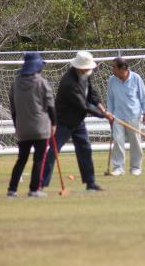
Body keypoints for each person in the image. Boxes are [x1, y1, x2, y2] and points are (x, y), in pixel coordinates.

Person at [41, 51, 113, 191]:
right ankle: (41, 184)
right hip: (63, 122)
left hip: (78, 121)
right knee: (53, 151)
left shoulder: (85, 75)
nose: (89, 70)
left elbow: (92, 94)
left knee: (85, 149)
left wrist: (102, 108)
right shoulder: (69, 83)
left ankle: (90, 183)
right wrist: (104, 115)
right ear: (79, 67)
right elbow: (83, 105)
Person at [6, 52, 56, 198]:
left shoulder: (15, 84)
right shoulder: (41, 83)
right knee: (39, 159)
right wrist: (54, 123)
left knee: (21, 159)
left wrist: (17, 126)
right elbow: (51, 105)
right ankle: (34, 189)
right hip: (41, 127)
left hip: (22, 128)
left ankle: (12, 189)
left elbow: (13, 108)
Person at [107, 57, 145, 176]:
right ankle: (118, 168)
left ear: (123, 68)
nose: (112, 69)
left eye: (114, 67)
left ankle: (136, 167)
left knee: (135, 143)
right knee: (118, 142)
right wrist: (109, 114)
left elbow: (143, 97)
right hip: (117, 117)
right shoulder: (111, 80)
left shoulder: (136, 78)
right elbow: (110, 99)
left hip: (134, 116)